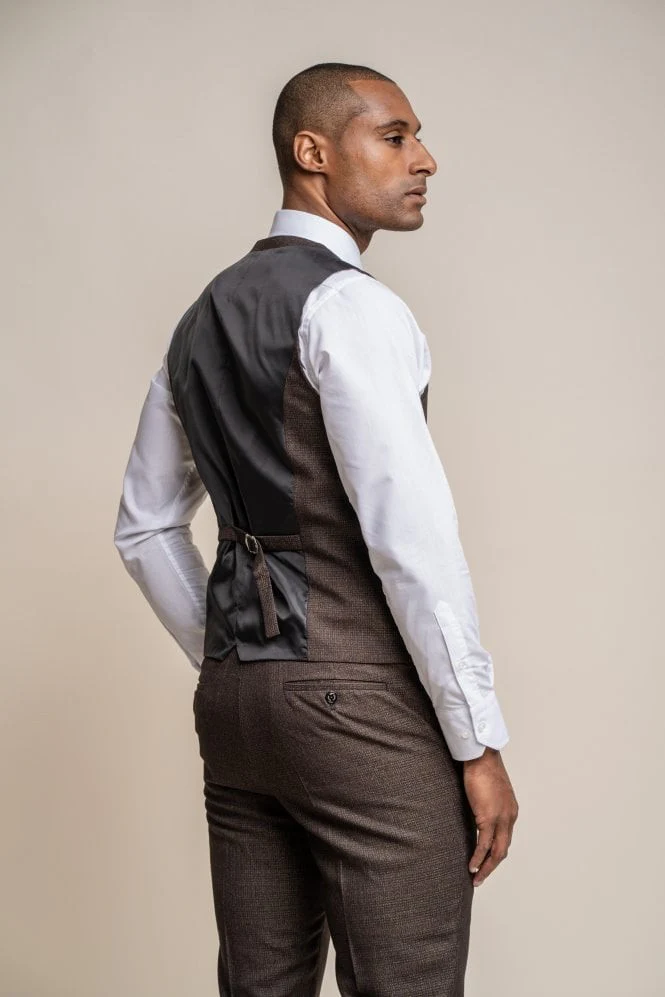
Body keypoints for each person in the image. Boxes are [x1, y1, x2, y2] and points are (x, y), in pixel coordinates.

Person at [114, 61, 519, 997]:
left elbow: (144, 529)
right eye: (394, 136)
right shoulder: (351, 307)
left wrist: (235, 653)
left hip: (235, 709)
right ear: (312, 152)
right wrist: (477, 740)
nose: (424, 159)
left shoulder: (196, 322)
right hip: (357, 709)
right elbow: (408, 541)